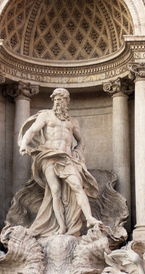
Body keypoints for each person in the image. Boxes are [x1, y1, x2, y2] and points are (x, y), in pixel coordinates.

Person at [18, 88, 101, 236]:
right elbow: (31, 131)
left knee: (77, 185)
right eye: (55, 99)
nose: (57, 101)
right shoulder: (46, 115)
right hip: (49, 155)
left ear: (67, 101)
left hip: (66, 157)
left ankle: (89, 218)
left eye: (61, 99)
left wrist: (78, 151)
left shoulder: (73, 121)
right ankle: (61, 227)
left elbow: (81, 140)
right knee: (55, 191)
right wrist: (24, 144)